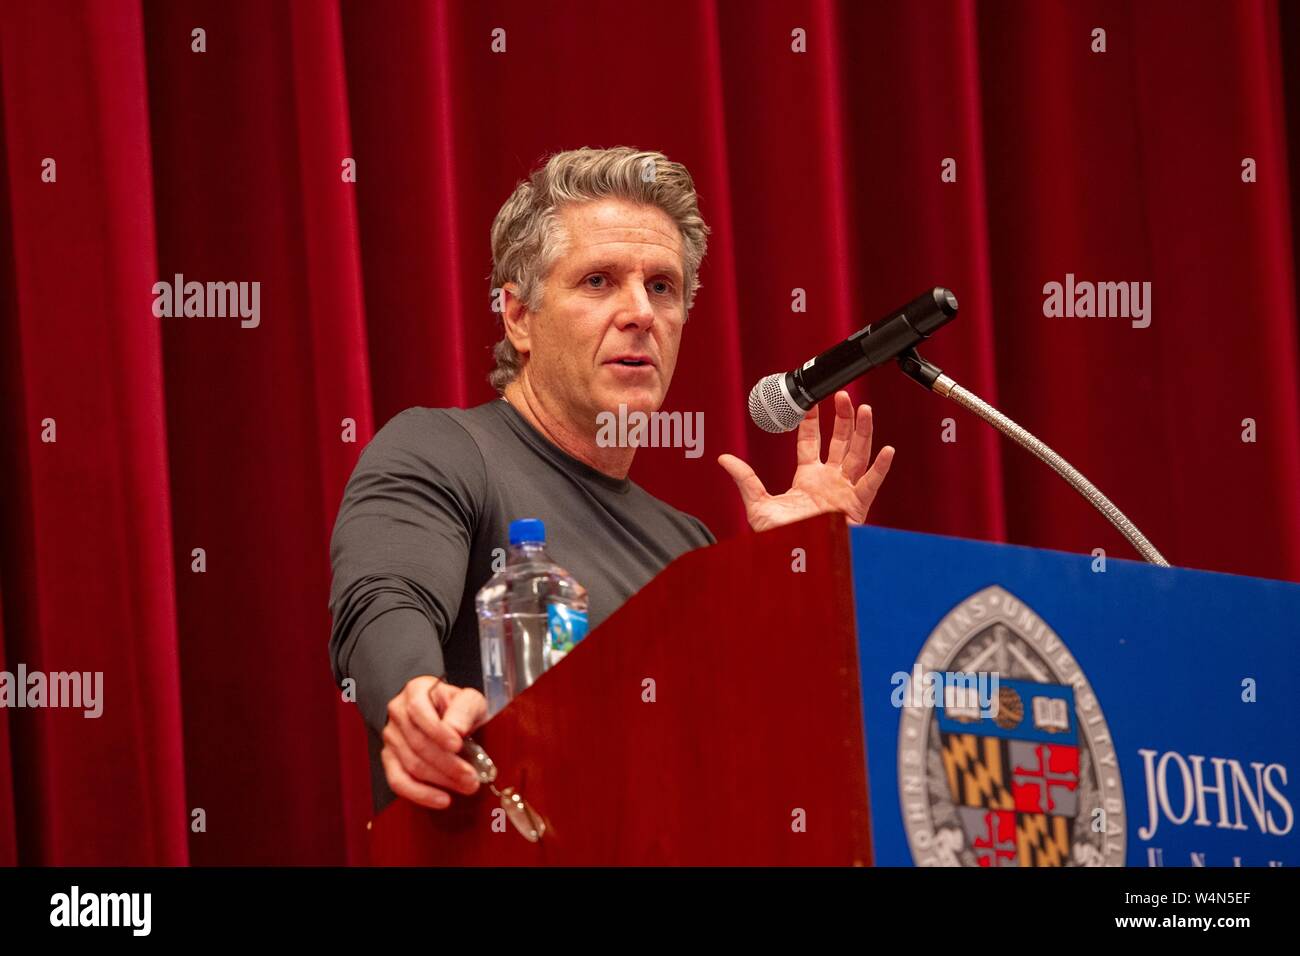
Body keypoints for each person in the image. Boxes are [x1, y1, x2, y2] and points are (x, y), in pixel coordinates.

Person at [328, 146, 895, 813]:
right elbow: (385, 598)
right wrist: (414, 695)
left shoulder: (689, 547)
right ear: (517, 316)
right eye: (598, 281)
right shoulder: (442, 450)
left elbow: (752, 762)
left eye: (662, 287)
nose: (641, 313)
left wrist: (794, 584)